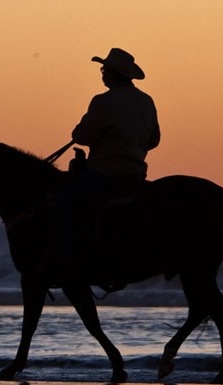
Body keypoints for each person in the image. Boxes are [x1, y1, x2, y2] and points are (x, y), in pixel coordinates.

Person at [51, 47, 160, 277]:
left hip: (105, 172)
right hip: (136, 174)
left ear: (113, 73)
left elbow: (81, 136)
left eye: (104, 69)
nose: (102, 73)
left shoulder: (104, 101)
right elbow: (154, 140)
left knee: (62, 201)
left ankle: (66, 261)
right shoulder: (146, 101)